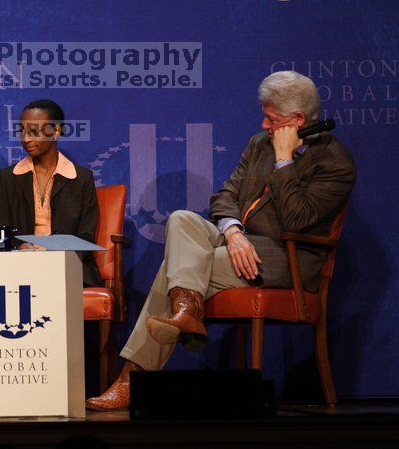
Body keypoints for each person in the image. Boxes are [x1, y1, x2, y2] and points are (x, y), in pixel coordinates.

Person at [86, 71, 357, 411]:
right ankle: (186, 311)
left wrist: (285, 161)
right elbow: (225, 196)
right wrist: (233, 232)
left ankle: (135, 374)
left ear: (297, 120)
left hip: (287, 260)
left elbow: (297, 219)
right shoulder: (260, 144)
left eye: (271, 119)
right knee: (182, 219)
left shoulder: (335, 163)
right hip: (239, 245)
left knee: (177, 266)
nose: (263, 124)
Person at [0, 99, 102, 287]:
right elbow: (0, 236)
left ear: (56, 131)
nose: (26, 139)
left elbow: (85, 238)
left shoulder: (81, 178)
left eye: (34, 131)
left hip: (69, 271)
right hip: (20, 269)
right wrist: (20, 247)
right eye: (22, 131)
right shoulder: (8, 177)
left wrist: (53, 259)